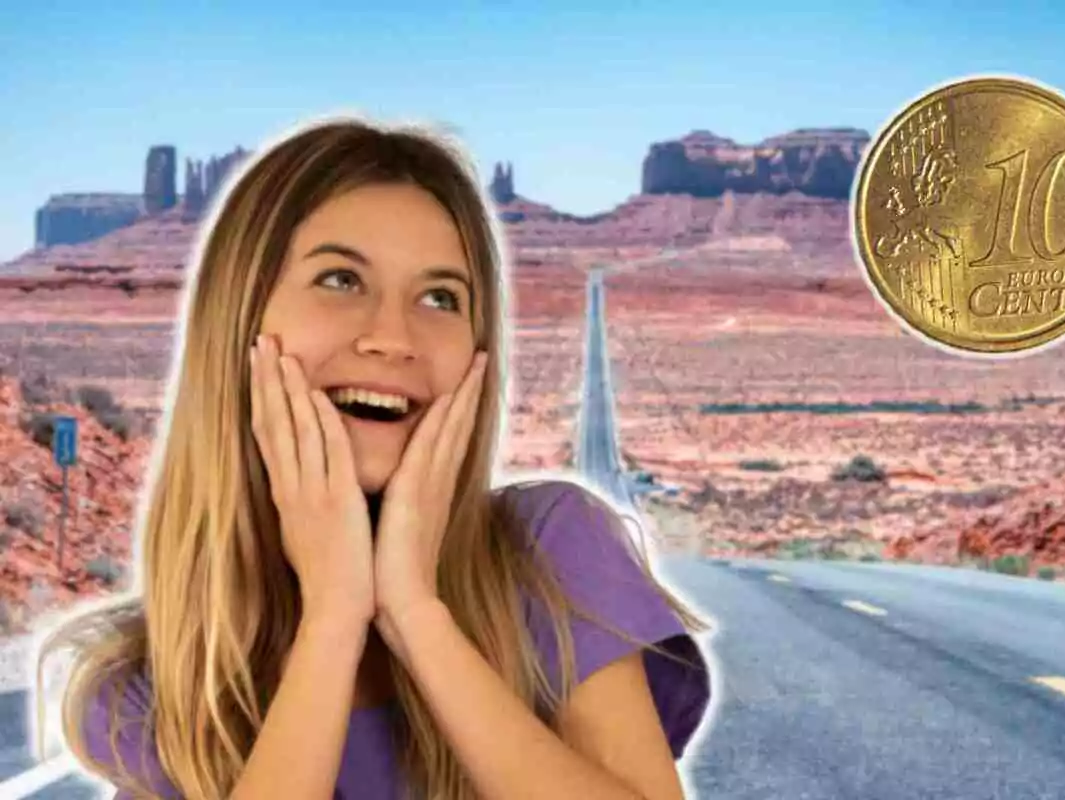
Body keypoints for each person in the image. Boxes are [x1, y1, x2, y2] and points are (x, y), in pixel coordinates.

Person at [32, 115, 712, 799]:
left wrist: (417, 615)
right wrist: (332, 617)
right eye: (340, 280)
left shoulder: (549, 548)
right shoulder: (158, 683)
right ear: (240, 318)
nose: (393, 337)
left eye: (440, 297)